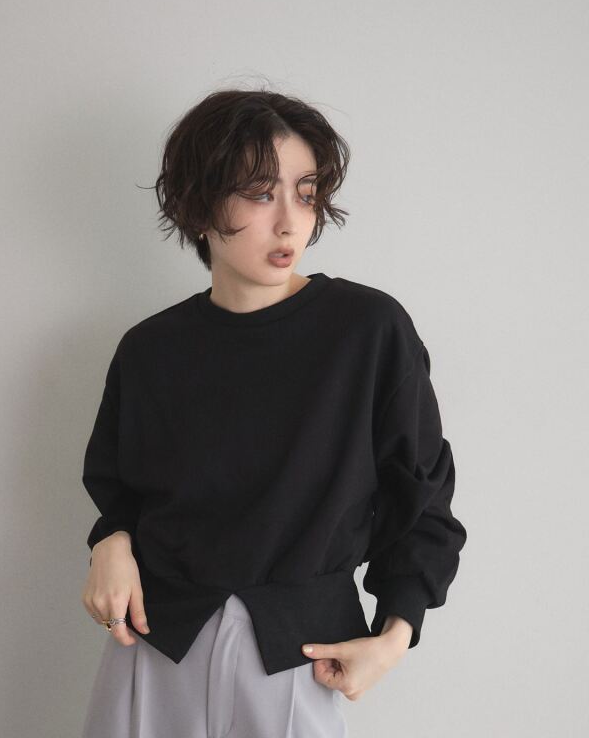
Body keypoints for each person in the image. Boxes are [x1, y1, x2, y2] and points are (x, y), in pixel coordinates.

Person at [80, 87, 467, 738]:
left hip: (299, 655)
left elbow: (423, 498)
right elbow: (121, 490)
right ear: (199, 201)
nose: (290, 222)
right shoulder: (150, 349)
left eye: (306, 193)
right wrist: (110, 543)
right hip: (154, 645)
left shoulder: (367, 331)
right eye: (260, 193)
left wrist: (395, 634)